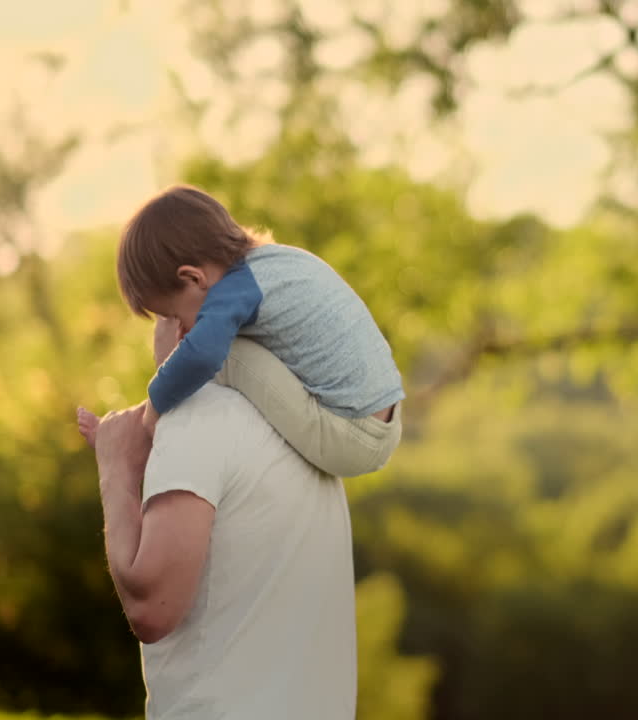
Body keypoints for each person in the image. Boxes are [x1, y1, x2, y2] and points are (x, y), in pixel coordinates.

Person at [92, 317, 357, 718]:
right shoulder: (307, 437)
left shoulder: (196, 414)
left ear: (181, 326)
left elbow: (152, 609)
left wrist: (117, 470)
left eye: (157, 315)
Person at [79, 184, 403, 479]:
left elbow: (201, 356)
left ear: (194, 278)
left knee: (219, 353)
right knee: (208, 350)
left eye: (174, 316)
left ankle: (147, 431)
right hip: (381, 421)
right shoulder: (272, 263)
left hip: (351, 438)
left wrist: (155, 406)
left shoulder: (235, 290)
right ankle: (139, 418)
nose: (181, 329)